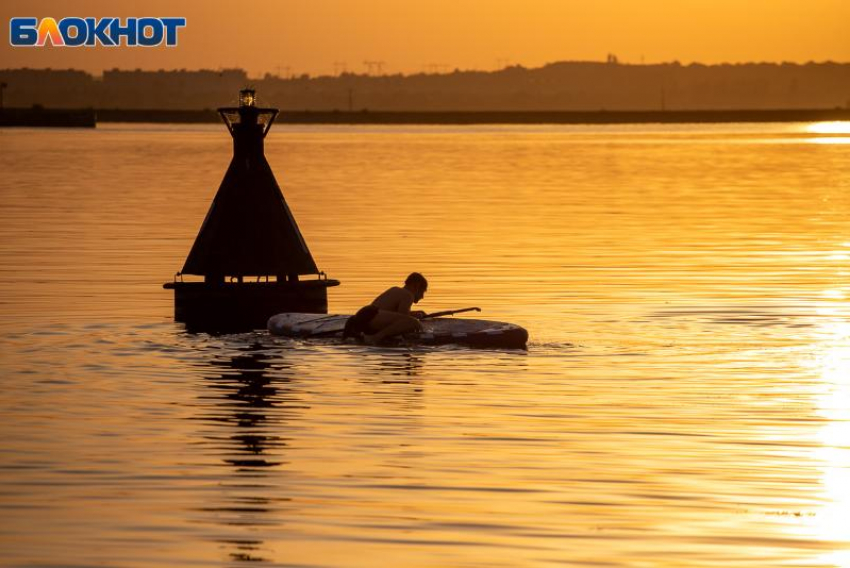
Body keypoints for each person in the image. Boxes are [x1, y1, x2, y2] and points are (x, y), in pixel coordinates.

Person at [344, 273, 428, 344]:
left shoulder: (395, 289)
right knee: (414, 323)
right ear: (416, 286)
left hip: (363, 315)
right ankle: (375, 338)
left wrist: (414, 314)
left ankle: (372, 336)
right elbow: (405, 320)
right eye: (423, 291)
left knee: (411, 321)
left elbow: (397, 316)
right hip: (371, 317)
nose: (422, 296)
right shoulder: (408, 295)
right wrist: (415, 319)